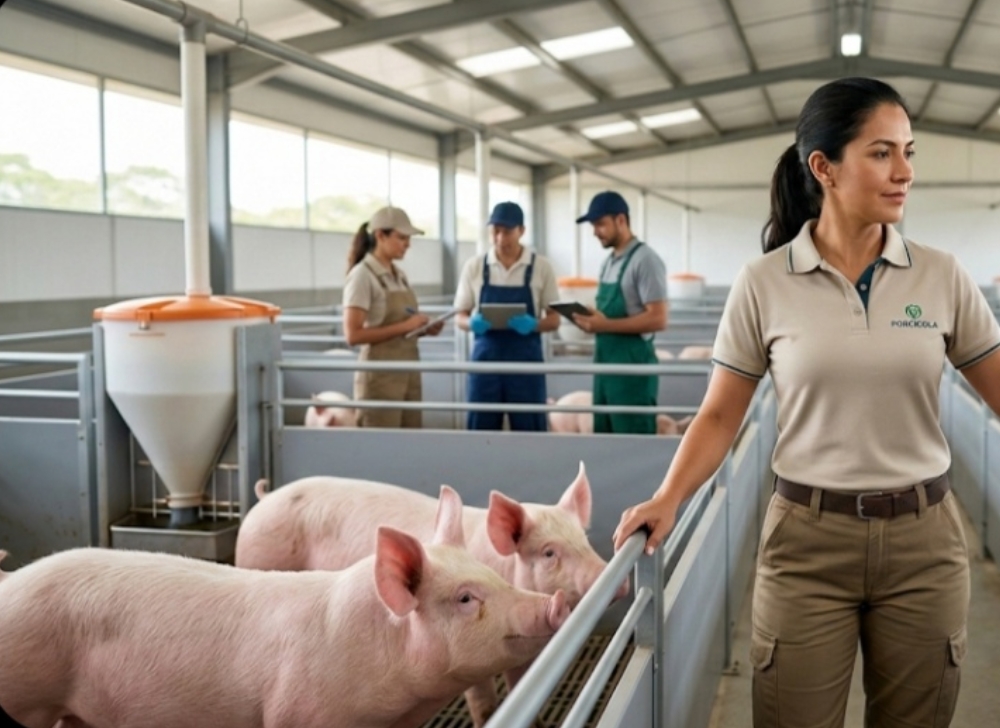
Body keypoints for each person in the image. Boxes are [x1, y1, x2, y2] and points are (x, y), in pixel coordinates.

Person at [613, 77, 1000, 728]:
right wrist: (668, 498)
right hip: (806, 544)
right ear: (824, 167)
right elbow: (718, 414)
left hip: (924, 543)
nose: (904, 171)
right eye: (882, 153)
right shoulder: (763, 283)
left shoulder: (942, 275)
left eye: (909, 151)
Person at [454, 201, 561, 431]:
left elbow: (555, 319)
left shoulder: (541, 267)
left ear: (521, 231)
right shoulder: (475, 266)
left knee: (530, 430)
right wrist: (471, 323)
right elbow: (459, 317)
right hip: (485, 365)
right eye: (496, 231)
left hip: (526, 366)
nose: (501, 238)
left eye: (507, 231)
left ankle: (531, 469)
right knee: (480, 430)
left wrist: (534, 325)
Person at [572, 191, 668, 434]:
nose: (595, 231)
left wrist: (602, 326)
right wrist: (590, 317)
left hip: (632, 372)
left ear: (621, 220)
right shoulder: (608, 262)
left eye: (600, 224)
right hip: (605, 369)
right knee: (605, 443)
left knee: (633, 444)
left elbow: (658, 317)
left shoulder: (645, 260)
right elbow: (609, 316)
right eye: (593, 225)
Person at [342, 205, 444, 428]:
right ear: (380, 235)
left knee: (410, 444)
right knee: (381, 449)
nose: (408, 244)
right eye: (402, 238)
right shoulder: (362, 276)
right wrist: (406, 326)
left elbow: (403, 325)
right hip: (380, 379)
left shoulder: (399, 275)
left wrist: (424, 328)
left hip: (408, 373)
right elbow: (353, 334)